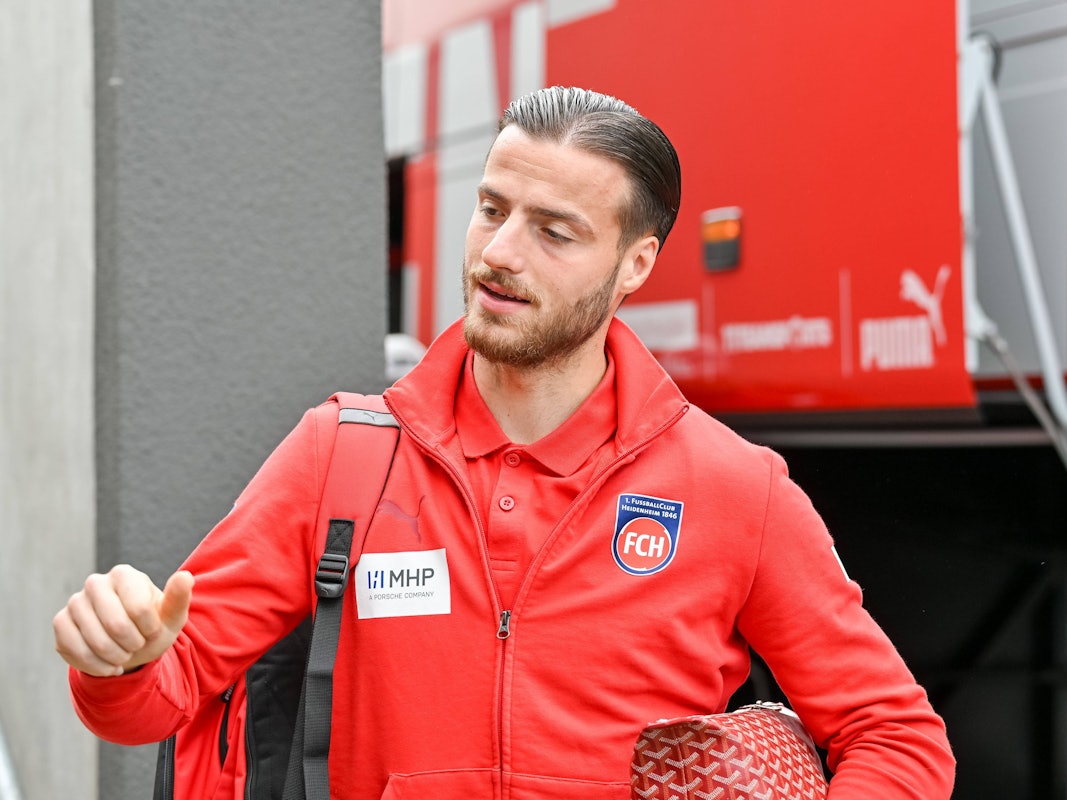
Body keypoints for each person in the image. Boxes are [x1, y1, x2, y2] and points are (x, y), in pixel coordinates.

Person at [54, 86, 955, 799]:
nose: (500, 253)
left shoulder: (734, 490)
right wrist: (119, 659)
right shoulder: (343, 454)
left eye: (554, 231)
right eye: (491, 210)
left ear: (634, 265)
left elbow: (896, 737)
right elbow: (154, 702)